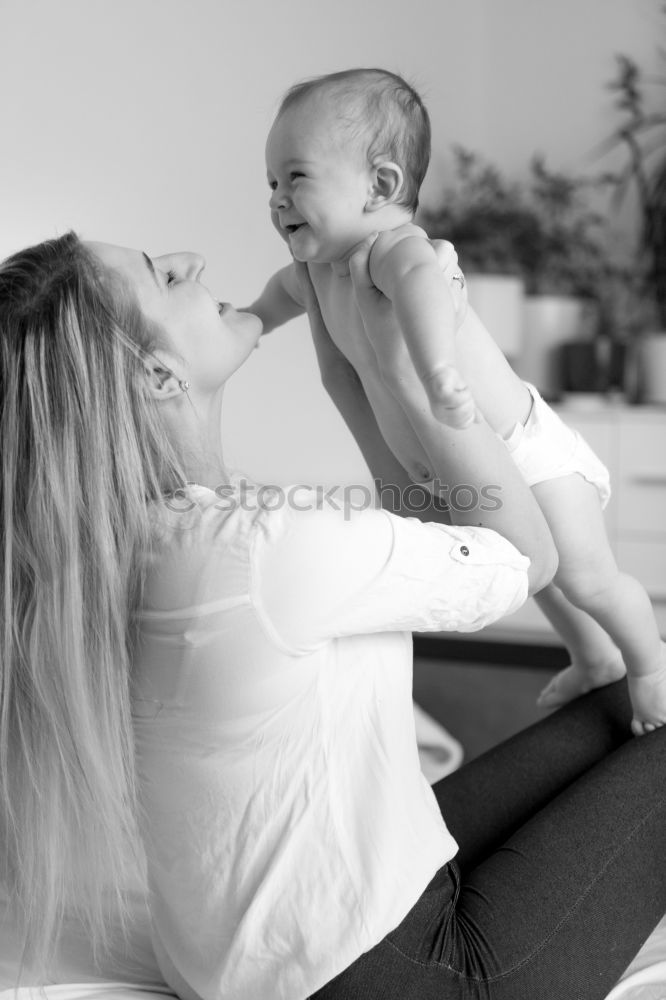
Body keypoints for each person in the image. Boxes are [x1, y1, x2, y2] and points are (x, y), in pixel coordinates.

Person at [0, 228, 665, 1000]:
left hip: (292, 957)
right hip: (409, 978)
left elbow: (416, 533)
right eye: (160, 275)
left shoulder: (149, 546)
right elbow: (525, 558)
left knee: (632, 696)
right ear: (156, 375)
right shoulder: (259, 550)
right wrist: (422, 370)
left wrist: (349, 369)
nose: (191, 258)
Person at [247, 66, 666, 734]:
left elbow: (422, 291)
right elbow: (275, 299)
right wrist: (246, 321)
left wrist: (439, 369)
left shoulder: (396, 249)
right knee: (535, 577)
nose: (277, 199)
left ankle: (649, 664)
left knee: (587, 580)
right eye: (271, 182)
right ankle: (594, 657)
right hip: (460, 470)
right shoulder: (317, 273)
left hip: (528, 451)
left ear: (381, 185)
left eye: (296, 177)